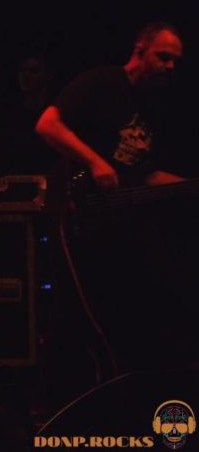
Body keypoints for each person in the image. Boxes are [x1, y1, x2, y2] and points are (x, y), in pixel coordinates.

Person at [34, 22, 194, 379]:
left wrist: (189, 187)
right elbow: (48, 125)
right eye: (163, 57)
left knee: (134, 301)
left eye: (176, 62)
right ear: (139, 52)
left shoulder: (154, 105)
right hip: (75, 212)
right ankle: (52, 392)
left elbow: (146, 174)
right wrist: (95, 162)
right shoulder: (102, 82)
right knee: (72, 310)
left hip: (117, 221)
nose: (170, 67)